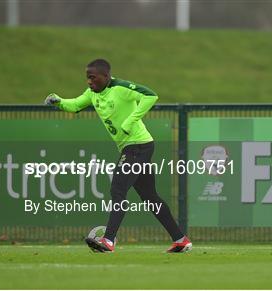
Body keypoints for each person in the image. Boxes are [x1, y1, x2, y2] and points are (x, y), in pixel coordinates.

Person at [44, 59, 192, 253]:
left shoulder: (121, 88)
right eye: (87, 78)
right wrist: (59, 101)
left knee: (118, 189)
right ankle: (181, 240)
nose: (89, 82)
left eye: (93, 77)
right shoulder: (93, 94)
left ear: (106, 77)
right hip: (133, 148)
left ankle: (108, 240)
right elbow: (75, 105)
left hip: (138, 146)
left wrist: (131, 120)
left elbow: (151, 96)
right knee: (150, 196)